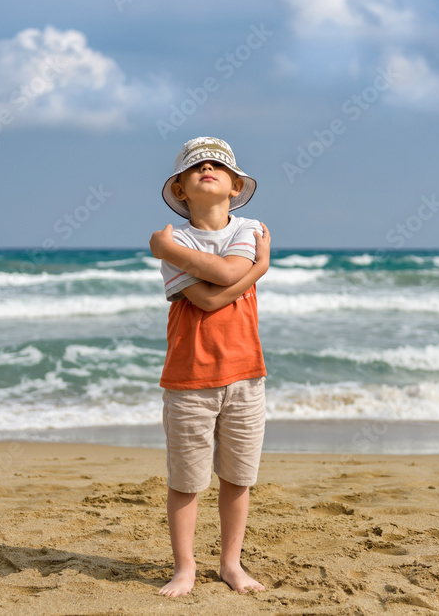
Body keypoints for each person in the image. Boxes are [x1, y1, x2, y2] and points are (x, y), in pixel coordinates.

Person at [148, 136, 271, 597]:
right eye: (196, 165)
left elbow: (220, 278)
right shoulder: (176, 236)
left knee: (237, 476)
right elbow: (212, 294)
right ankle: (185, 567)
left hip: (245, 374)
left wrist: (166, 251)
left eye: (218, 164)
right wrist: (257, 269)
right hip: (189, 378)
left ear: (235, 186)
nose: (207, 168)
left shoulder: (248, 228)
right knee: (186, 480)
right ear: (180, 188)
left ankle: (230, 563)